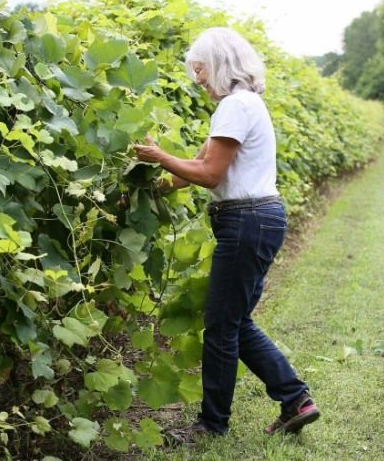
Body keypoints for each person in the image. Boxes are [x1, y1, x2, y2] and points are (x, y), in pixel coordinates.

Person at [134, 27, 320, 443]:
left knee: (221, 327)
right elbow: (196, 167)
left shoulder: (235, 106)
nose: (197, 79)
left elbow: (209, 175)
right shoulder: (244, 105)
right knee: (235, 322)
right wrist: (151, 183)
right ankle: (295, 399)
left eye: (199, 69)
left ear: (218, 64)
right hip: (258, 221)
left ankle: (211, 426)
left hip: (247, 222)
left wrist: (159, 156)